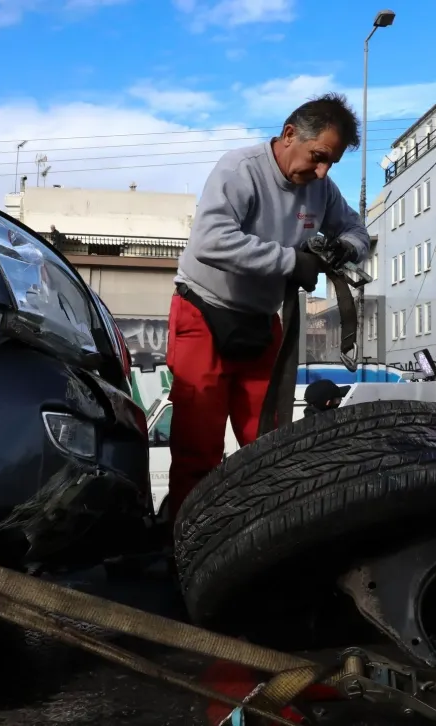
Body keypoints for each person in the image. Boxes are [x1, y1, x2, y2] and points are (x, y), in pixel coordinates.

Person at [164, 93, 370, 519]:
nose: (322, 171)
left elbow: (355, 229)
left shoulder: (322, 189)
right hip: (203, 311)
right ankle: (184, 552)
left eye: (330, 163)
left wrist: (344, 249)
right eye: (318, 157)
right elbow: (209, 242)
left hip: (260, 321)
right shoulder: (239, 170)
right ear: (289, 134)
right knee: (197, 451)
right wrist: (291, 261)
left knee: (271, 448)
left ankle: (262, 543)